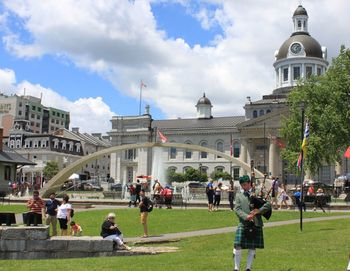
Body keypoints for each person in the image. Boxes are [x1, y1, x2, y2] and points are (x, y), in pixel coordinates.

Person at [233, 175, 271, 271]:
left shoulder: (258, 192)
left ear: (249, 183)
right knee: (237, 245)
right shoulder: (239, 195)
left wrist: (258, 211)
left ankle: (248, 268)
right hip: (243, 223)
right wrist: (246, 216)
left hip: (256, 223)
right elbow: (237, 209)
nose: (243, 187)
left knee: (252, 247)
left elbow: (267, 205)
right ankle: (236, 268)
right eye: (242, 185)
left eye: (245, 185)